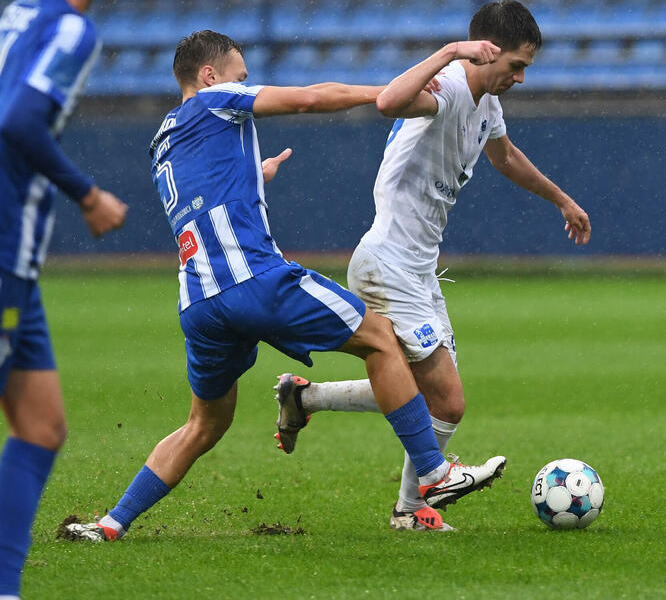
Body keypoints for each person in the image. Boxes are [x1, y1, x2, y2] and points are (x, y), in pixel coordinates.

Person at [63, 30, 505, 541]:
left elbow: (204, 198)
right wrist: (386, 96)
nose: (245, 83)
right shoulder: (216, 99)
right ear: (209, 76)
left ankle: (111, 524)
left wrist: (256, 174)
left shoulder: (163, 139)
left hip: (199, 302)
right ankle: (434, 473)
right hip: (253, 280)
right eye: (239, 74)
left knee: (203, 425)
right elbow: (310, 98)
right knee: (381, 337)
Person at [272, 0, 591, 531]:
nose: (520, 78)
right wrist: (448, 51)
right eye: (515, 65)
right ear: (485, 52)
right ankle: (418, 498)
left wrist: (561, 199)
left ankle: (308, 402)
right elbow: (388, 102)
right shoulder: (445, 87)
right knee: (448, 400)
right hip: (388, 265)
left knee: (421, 394)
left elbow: (505, 156)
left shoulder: (486, 104)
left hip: (416, 269)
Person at [0, 0, 127, 595]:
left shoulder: (16, 12)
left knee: (42, 425)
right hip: (1, 245)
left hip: (16, 258)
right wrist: (88, 193)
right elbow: (18, 120)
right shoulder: (73, 30)